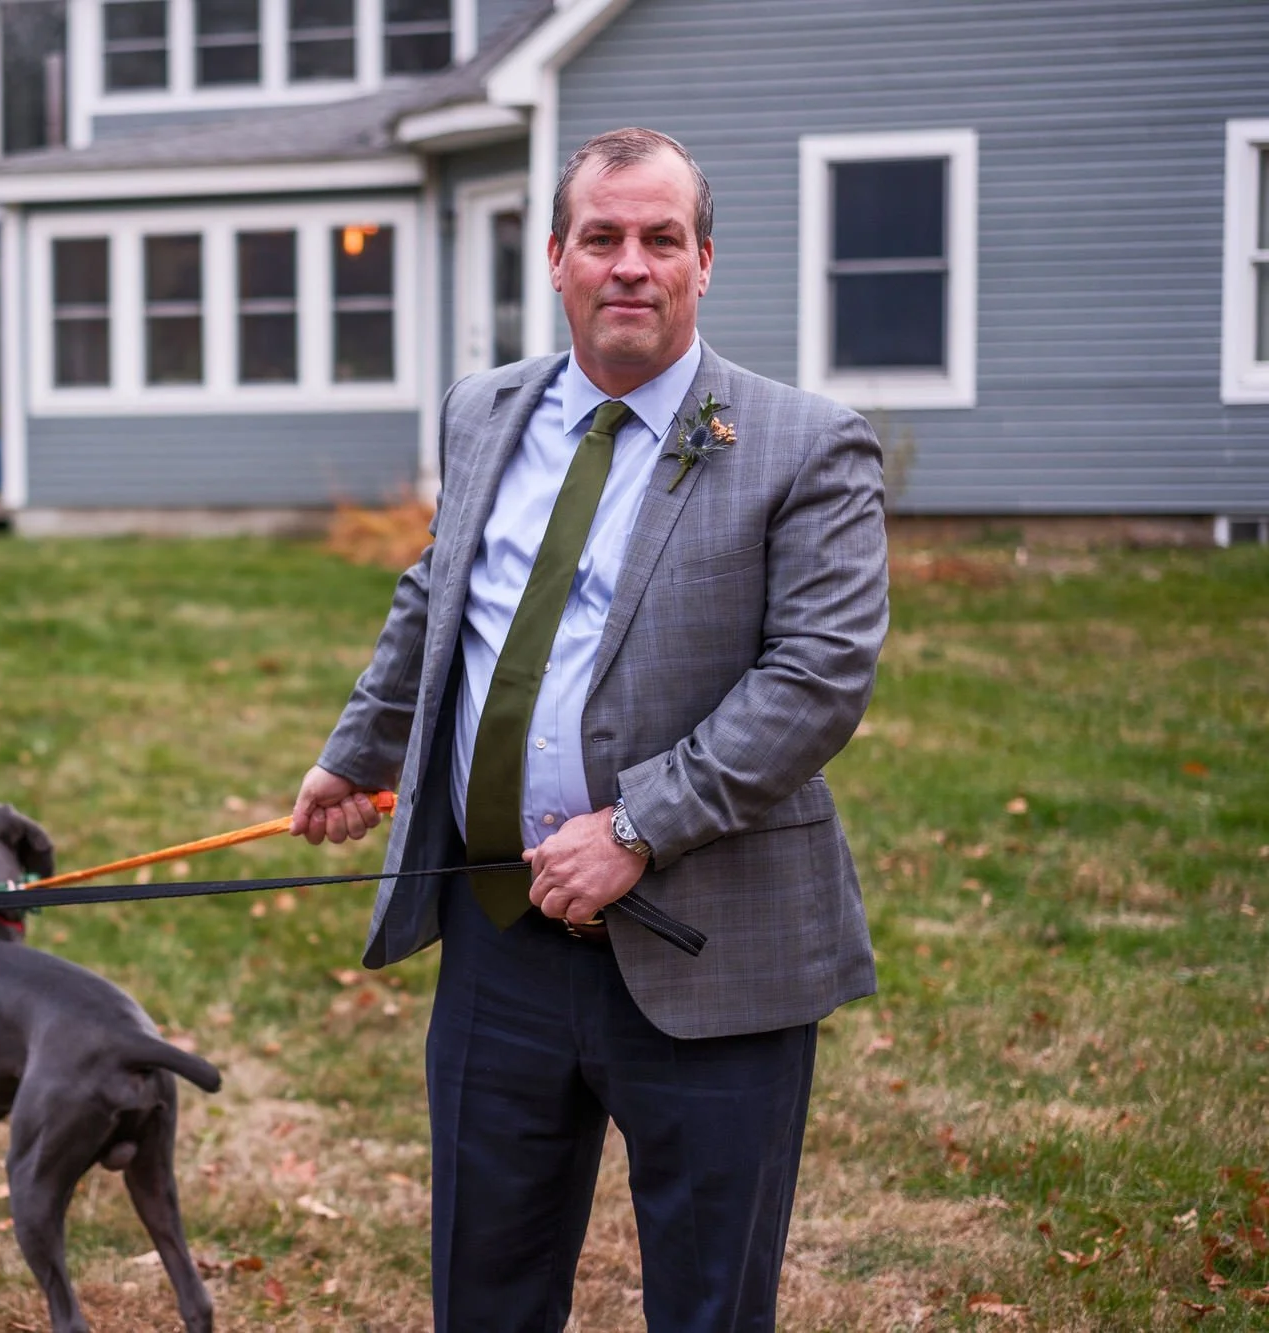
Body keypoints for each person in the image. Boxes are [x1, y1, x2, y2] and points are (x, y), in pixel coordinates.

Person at [288, 127, 889, 1332]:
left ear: (701, 263)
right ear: (555, 257)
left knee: (707, 1303)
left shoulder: (802, 443)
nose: (630, 264)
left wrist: (634, 825)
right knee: (485, 1289)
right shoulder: (484, 411)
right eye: (602, 238)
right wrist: (363, 745)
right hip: (497, 932)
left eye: (659, 239)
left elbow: (815, 678)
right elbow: (435, 590)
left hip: (709, 948)